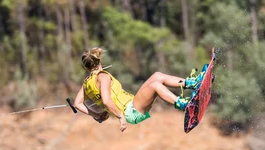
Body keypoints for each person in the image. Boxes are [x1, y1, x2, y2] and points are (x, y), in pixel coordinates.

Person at [73, 47, 212, 132]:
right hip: (129, 111)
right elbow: (106, 100)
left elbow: (77, 103)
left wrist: (96, 115)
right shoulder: (103, 77)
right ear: (99, 62)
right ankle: (186, 105)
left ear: (86, 68)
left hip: (131, 107)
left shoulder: (86, 84)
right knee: (155, 86)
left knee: (157, 76)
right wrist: (121, 117)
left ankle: (194, 83)